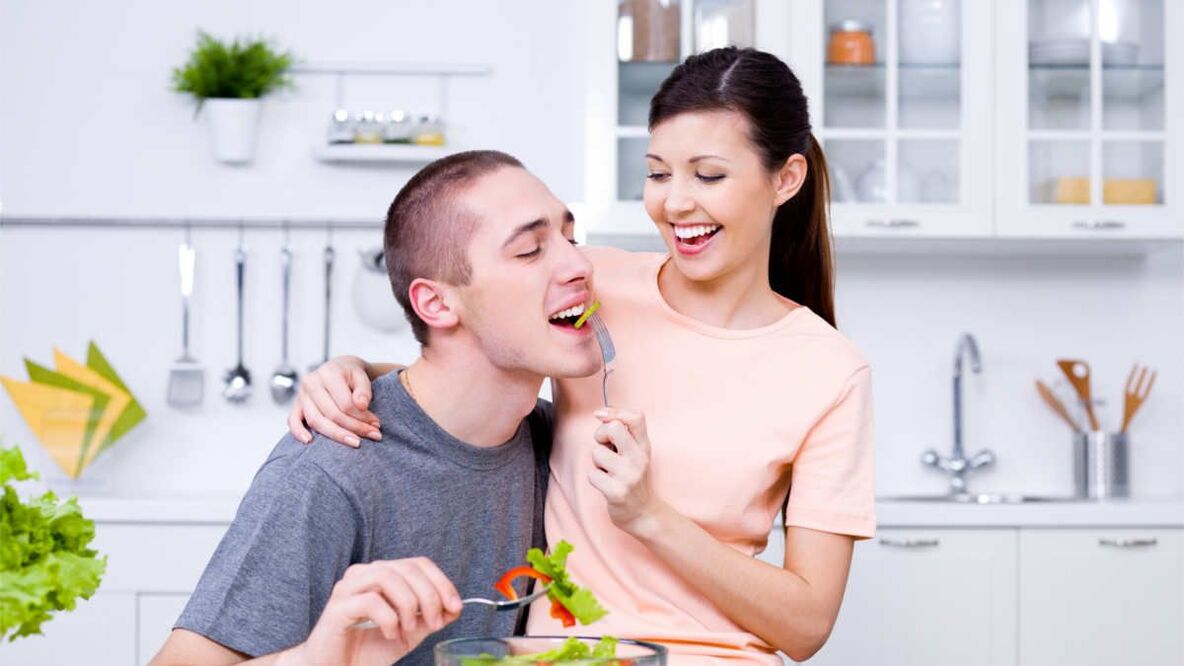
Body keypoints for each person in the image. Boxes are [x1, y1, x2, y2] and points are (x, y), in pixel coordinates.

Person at [291, 47, 876, 665]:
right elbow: (474, 355)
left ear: (785, 179)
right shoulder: (593, 283)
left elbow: (807, 624)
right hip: (562, 654)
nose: (675, 204)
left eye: (708, 176)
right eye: (657, 173)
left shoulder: (829, 371)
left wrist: (649, 516)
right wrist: (356, 371)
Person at [150, 150, 602, 666]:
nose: (579, 264)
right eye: (529, 250)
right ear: (435, 304)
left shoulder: (554, 439)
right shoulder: (333, 466)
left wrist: (359, 363)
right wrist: (324, 658)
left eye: (571, 238)